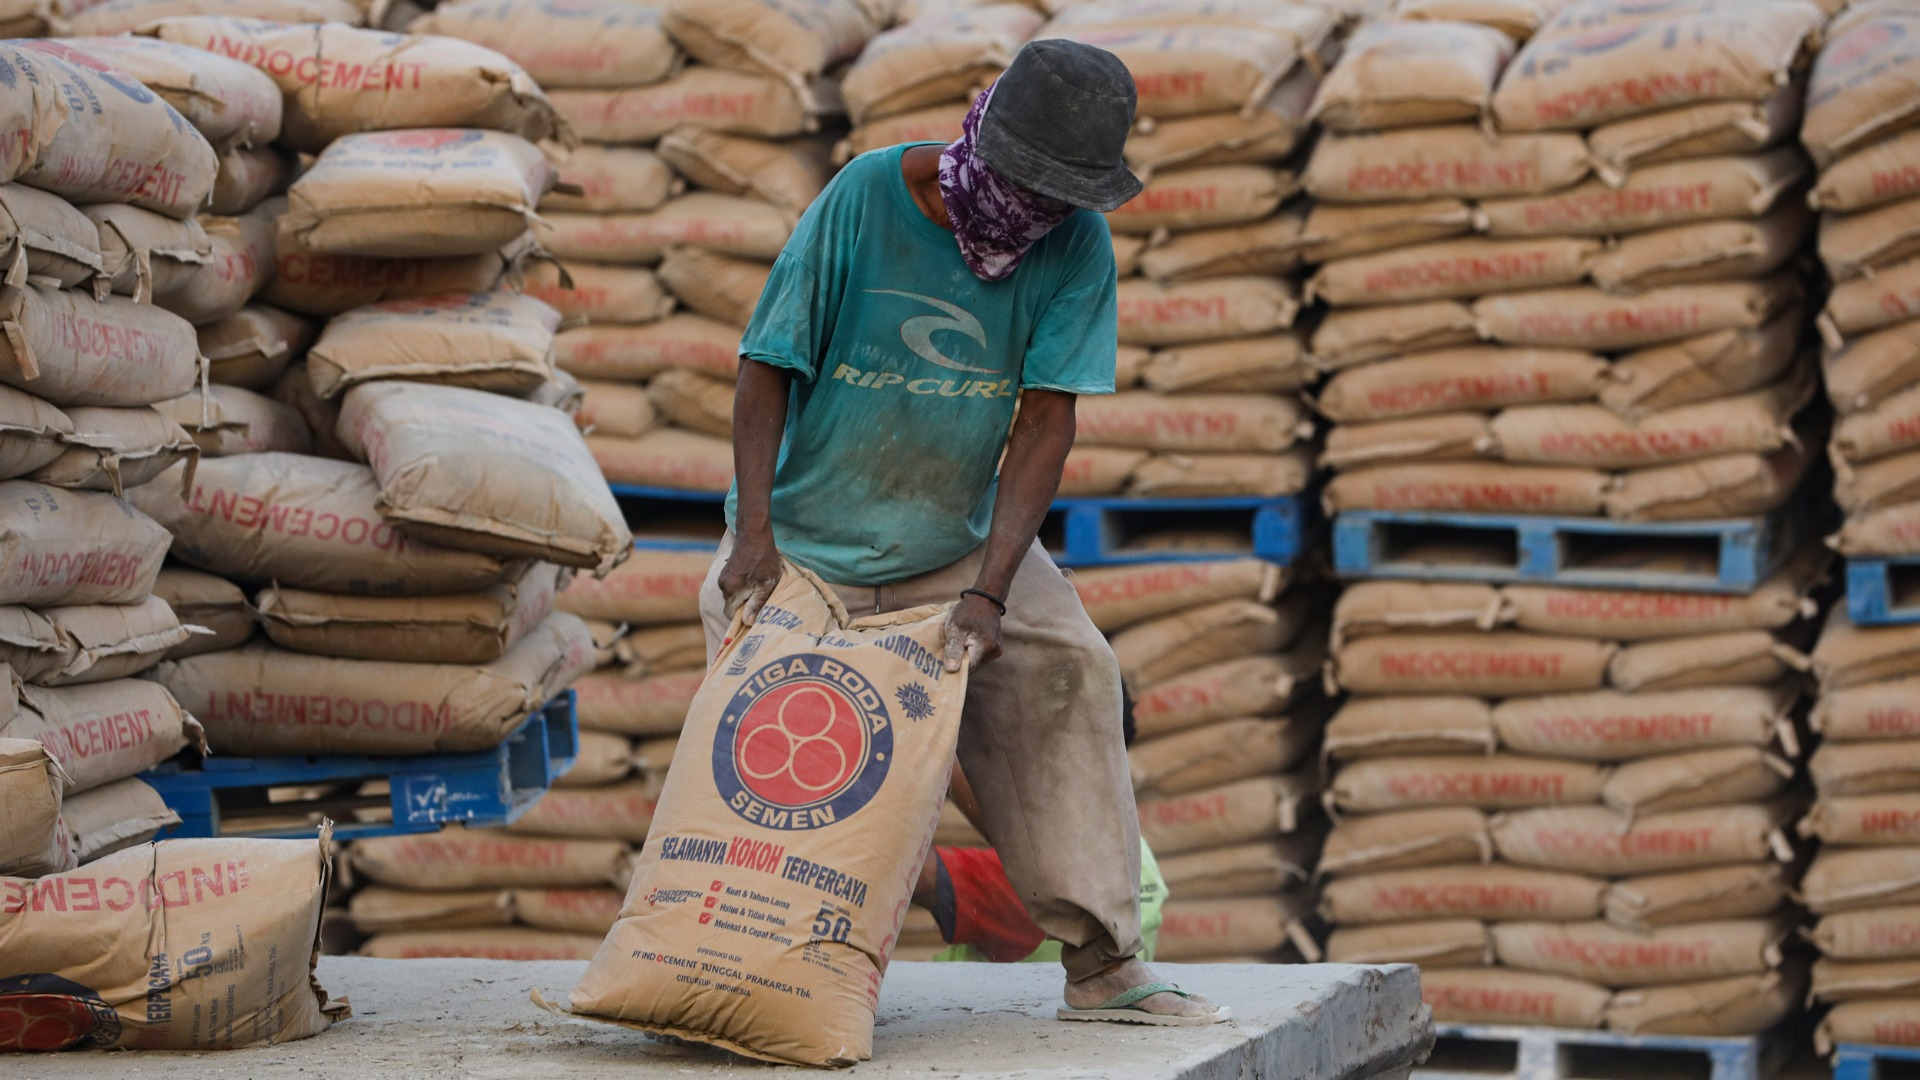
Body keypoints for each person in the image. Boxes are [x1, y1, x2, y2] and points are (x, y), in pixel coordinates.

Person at [697, 39, 1228, 1024]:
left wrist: (989, 592)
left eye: (1067, 196)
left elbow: (1045, 423)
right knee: (782, 764)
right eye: (1034, 186)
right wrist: (755, 542)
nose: (1046, 212)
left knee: (1068, 667)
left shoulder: (1073, 247)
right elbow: (765, 364)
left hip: (955, 543)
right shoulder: (865, 197)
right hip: (804, 542)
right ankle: (755, 978)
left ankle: (1106, 965)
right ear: (982, 143)